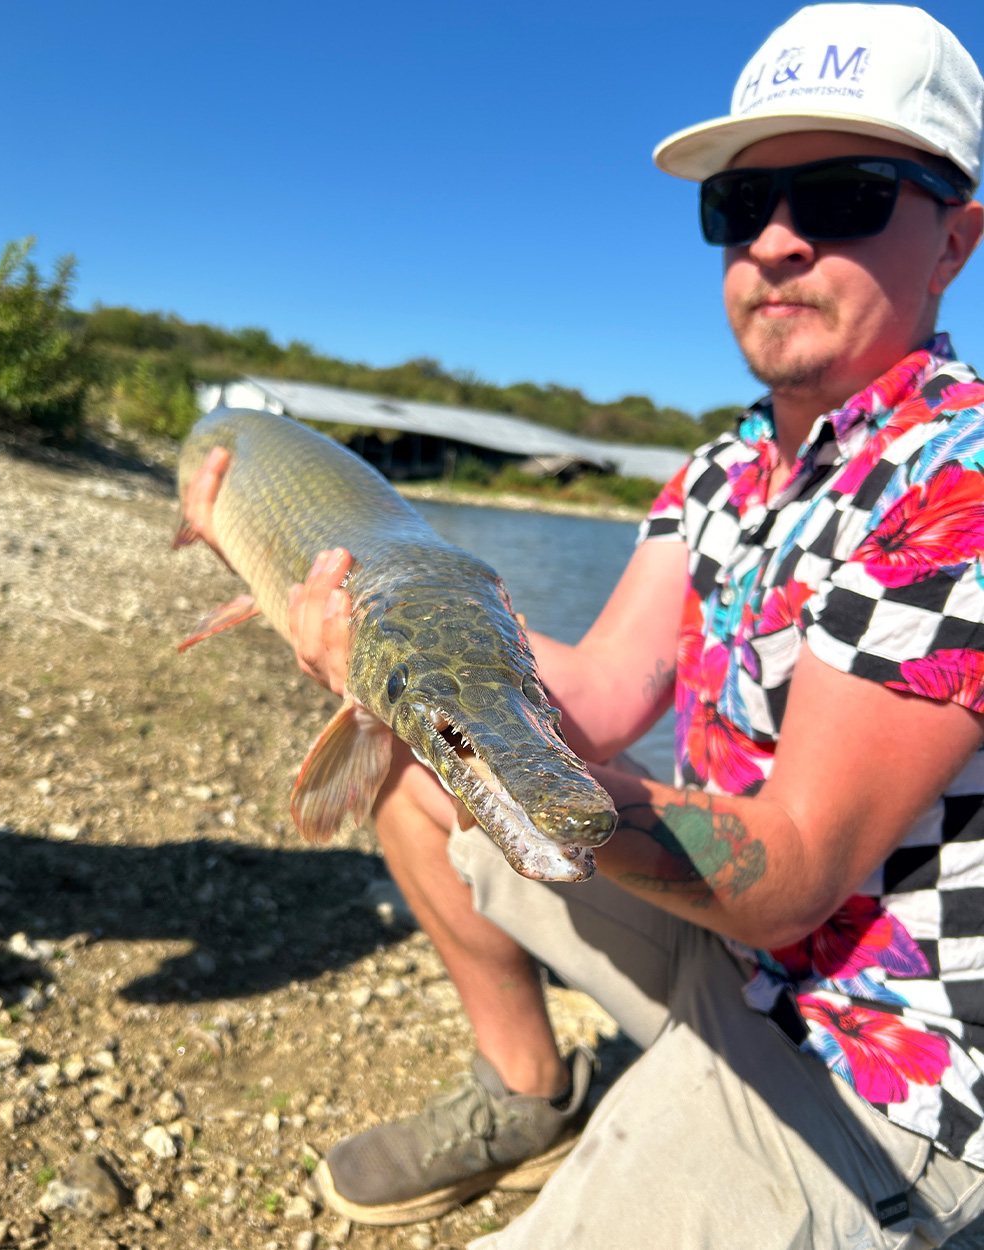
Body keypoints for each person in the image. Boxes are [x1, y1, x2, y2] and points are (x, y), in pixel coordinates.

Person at [184, 5, 984, 1245]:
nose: (773, 239)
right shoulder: (720, 470)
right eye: (741, 200)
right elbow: (603, 691)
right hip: (732, 944)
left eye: (841, 193)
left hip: (875, 1051)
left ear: (955, 240)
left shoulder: (962, 479)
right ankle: (525, 1089)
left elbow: (795, 866)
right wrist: (387, 631)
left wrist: (515, 769)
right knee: (410, 763)